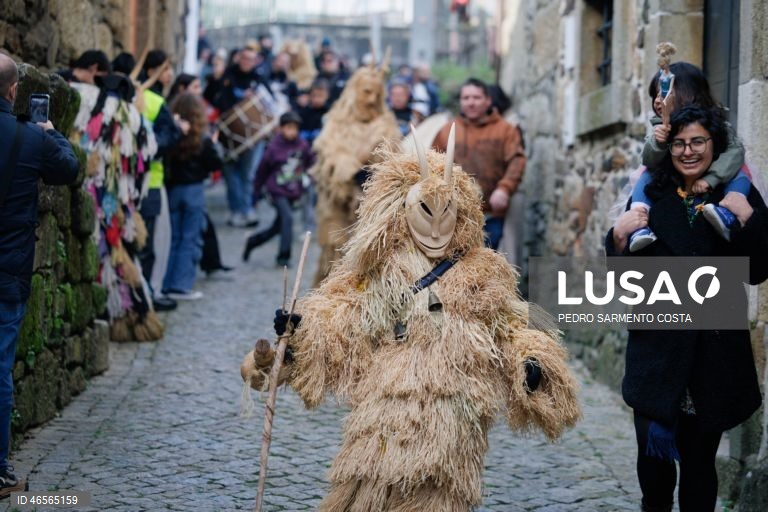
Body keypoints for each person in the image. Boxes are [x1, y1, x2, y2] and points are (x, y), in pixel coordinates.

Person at [240, 131, 579, 510]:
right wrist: (300, 334)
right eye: (425, 213)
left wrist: (530, 363)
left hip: (453, 417)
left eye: (447, 214)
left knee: (437, 496)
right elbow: (342, 319)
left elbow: (511, 326)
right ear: (401, 212)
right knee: (367, 491)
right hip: (383, 415)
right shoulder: (378, 273)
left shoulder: (483, 276)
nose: (436, 229)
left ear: (462, 214)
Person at [607, 105, 768, 512]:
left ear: (714, 144)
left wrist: (748, 222)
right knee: (653, 470)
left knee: (698, 469)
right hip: (656, 353)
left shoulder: (735, 195)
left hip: (710, 356)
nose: (688, 151)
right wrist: (617, 240)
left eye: (698, 141)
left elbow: (758, 270)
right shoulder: (649, 194)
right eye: (679, 143)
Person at [0, 53, 80, 496]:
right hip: (7, 268)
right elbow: (68, 169)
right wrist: (52, 132)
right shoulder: (30, 137)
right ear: (14, 90)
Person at [627, 62, 749, 251]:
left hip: (719, 173)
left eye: (664, 93)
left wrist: (711, 178)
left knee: (739, 174)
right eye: (655, 95)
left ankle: (727, 214)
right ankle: (639, 224)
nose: (658, 100)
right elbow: (649, 160)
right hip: (669, 178)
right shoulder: (662, 126)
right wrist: (659, 142)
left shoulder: (716, 125)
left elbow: (735, 153)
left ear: (690, 94)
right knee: (646, 175)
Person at [432, 78, 526, 250]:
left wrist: (504, 189)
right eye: (466, 98)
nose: (471, 102)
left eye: (476, 97)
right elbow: (432, 163)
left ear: (488, 100)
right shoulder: (447, 130)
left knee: (485, 257)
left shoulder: (505, 130)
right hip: (454, 214)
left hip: (491, 213)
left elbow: (517, 160)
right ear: (461, 101)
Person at [161, 93, 223, 300]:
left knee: (173, 238)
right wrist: (214, 144)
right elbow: (215, 163)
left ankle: (166, 283)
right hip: (194, 190)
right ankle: (181, 285)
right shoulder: (202, 138)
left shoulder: (174, 134)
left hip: (173, 189)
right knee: (189, 238)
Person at [137, 49, 183, 311]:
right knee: (153, 243)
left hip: (143, 180)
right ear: (152, 71)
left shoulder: (144, 97)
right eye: (166, 69)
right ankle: (149, 294)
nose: (170, 74)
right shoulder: (152, 100)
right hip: (150, 182)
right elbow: (165, 139)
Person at [209, 46, 271, 228]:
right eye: (244, 58)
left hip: (252, 136)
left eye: (251, 59)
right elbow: (213, 98)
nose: (247, 62)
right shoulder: (227, 75)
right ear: (238, 58)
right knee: (230, 174)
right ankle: (235, 210)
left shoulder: (258, 78)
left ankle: (247, 210)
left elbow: (270, 103)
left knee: (248, 175)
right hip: (229, 135)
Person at [242, 111, 315, 266]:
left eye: (295, 128)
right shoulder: (273, 148)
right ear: (281, 128)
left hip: (293, 191)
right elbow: (261, 172)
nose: (292, 132)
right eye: (288, 128)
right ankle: (283, 256)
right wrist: (255, 195)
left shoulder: (302, 145)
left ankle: (253, 241)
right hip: (276, 191)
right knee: (288, 218)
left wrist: (311, 175)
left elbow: (311, 161)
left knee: (278, 226)